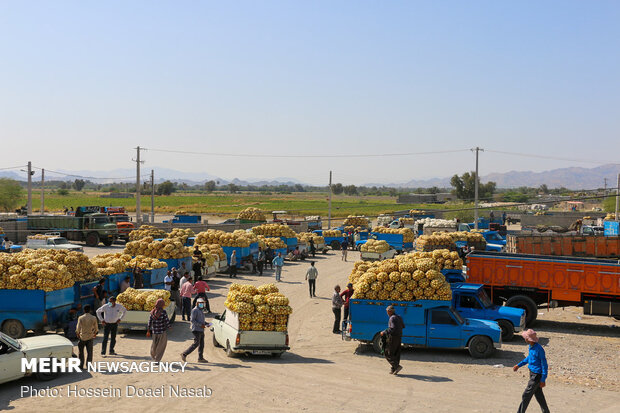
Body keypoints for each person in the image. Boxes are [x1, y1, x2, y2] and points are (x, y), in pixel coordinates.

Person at [513, 329, 550, 413]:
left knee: (526, 395)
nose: (524, 339)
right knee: (539, 396)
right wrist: (518, 365)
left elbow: (544, 365)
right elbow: (529, 358)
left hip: (536, 376)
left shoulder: (539, 349)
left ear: (528, 339)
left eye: (525, 337)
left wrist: (543, 379)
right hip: (532, 373)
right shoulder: (531, 346)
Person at [180, 298, 208, 363]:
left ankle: (200, 358)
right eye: (201, 303)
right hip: (196, 329)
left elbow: (202, 320)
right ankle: (184, 354)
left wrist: (207, 324)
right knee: (196, 344)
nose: (202, 305)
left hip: (201, 330)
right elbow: (192, 320)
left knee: (201, 344)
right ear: (197, 303)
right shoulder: (195, 310)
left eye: (203, 303)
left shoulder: (201, 310)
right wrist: (200, 325)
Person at [380, 305, 405, 375]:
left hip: (393, 337)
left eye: (387, 311)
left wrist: (384, 332)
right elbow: (403, 326)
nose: (387, 313)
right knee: (396, 353)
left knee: (388, 353)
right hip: (399, 337)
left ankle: (397, 366)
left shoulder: (392, 318)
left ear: (390, 311)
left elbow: (392, 329)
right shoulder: (399, 317)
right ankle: (393, 369)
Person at [75, 304, 98, 369]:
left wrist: (78, 334)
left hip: (82, 337)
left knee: (81, 352)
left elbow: (78, 327)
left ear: (84, 310)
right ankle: (89, 365)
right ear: (90, 310)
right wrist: (95, 333)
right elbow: (96, 327)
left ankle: (81, 365)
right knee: (90, 352)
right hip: (90, 336)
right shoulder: (93, 318)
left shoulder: (81, 318)